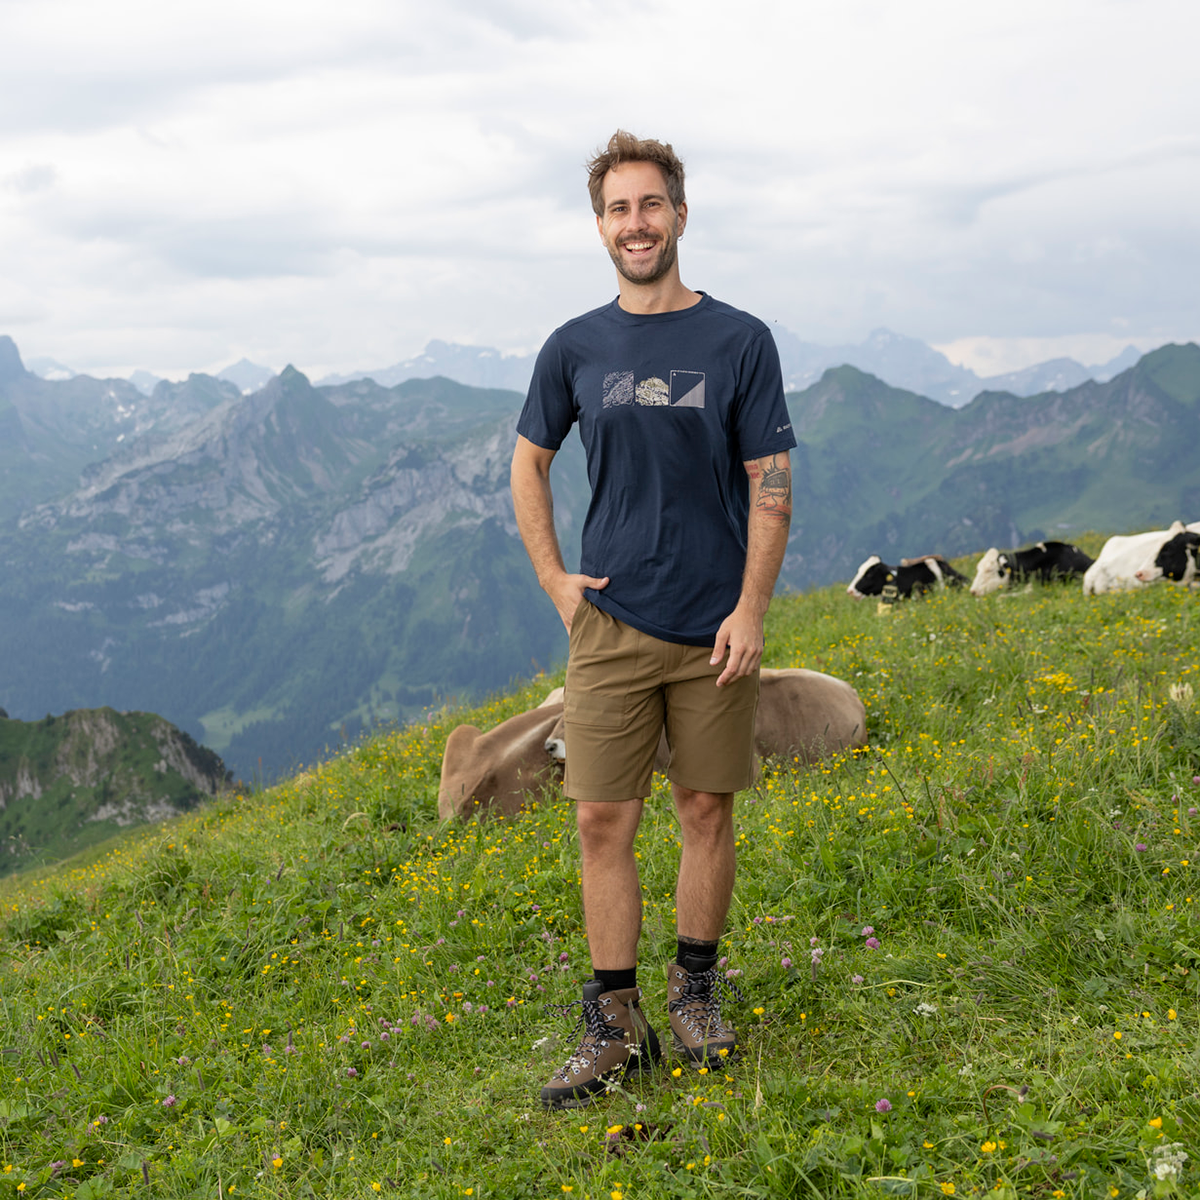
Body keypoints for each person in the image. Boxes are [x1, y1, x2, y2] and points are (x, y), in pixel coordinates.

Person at [510, 130, 796, 1109]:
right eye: (617, 209)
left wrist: (752, 608)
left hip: (715, 625)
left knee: (706, 810)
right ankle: (614, 1023)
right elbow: (529, 463)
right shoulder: (574, 346)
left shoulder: (740, 340)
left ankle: (696, 993)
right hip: (611, 624)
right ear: (601, 227)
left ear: (680, 213)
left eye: (650, 205)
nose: (636, 224)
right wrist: (556, 579)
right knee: (601, 818)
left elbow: (770, 484)